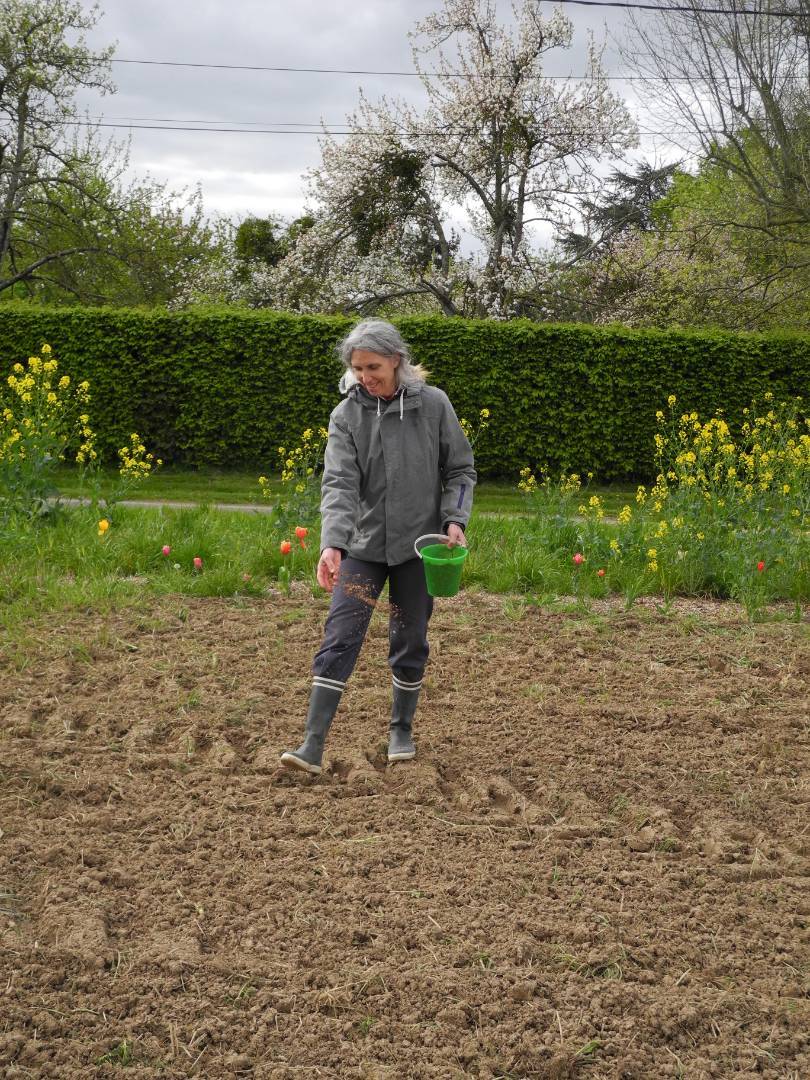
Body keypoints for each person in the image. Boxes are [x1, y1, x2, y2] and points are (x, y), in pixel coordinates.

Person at [280, 319, 476, 775]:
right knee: (340, 635)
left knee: (409, 638)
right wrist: (332, 543)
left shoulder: (433, 405)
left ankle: (401, 729)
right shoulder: (346, 415)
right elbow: (340, 483)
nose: (365, 376)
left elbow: (461, 470)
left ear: (396, 360)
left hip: (416, 550)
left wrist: (454, 520)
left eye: (373, 366)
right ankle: (312, 743)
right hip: (363, 549)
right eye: (358, 368)